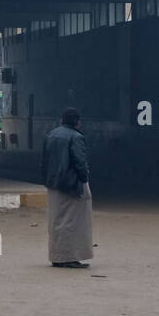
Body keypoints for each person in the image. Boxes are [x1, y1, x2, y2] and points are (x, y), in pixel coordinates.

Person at [41, 108, 94, 268]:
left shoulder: (51, 135)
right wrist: (84, 179)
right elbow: (80, 162)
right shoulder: (77, 137)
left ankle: (57, 257)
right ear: (78, 122)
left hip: (53, 184)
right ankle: (69, 257)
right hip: (71, 185)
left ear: (62, 120)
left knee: (56, 220)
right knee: (73, 221)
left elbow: (43, 161)